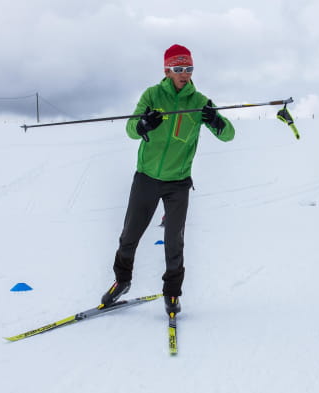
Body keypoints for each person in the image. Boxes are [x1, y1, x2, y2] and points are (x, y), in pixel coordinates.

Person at [101, 44, 235, 315]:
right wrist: (143, 125)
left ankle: (172, 294)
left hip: (178, 183)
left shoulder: (199, 102)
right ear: (167, 70)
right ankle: (122, 281)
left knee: (175, 241)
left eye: (188, 68)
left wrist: (215, 120)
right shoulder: (151, 95)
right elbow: (130, 129)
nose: (184, 73)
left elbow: (228, 134)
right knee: (129, 236)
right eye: (178, 68)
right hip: (146, 178)